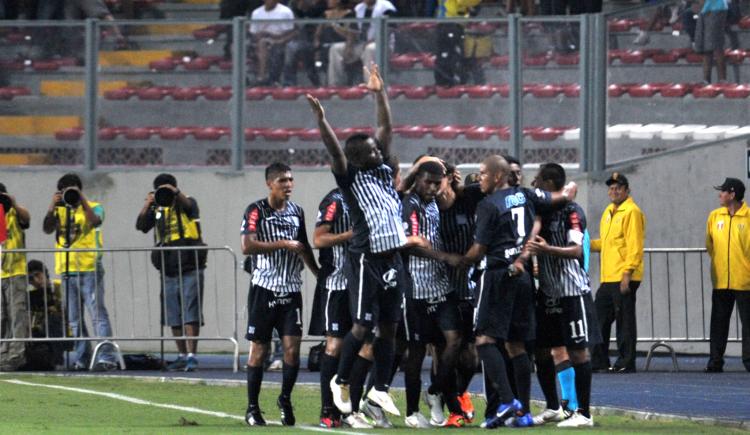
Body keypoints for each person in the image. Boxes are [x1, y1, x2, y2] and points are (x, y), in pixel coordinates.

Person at [305, 63, 417, 419]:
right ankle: (341, 380)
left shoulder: (383, 171)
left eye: (376, 149)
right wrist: (323, 122)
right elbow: (335, 152)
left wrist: (379, 93)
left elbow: (386, 127)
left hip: (392, 258)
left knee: (391, 328)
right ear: (358, 157)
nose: (377, 151)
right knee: (362, 326)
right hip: (367, 257)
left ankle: (380, 390)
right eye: (370, 150)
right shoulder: (350, 179)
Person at [458, 155, 577, 428]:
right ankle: (522, 412)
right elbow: (562, 196)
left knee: (485, 341)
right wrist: (570, 190)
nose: (480, 179)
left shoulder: (488, 205)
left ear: (498, 176)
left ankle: (509, 400)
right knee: (516, 345)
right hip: (521, 277)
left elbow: (478, 250)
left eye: (483, 174)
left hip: (497, 274)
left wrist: (453, 261)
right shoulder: (525, 195)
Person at [241, 162, 319, 426]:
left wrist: (317, 274)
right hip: (264, 289)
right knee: (259, 350)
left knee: (292, 351)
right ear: (270, 184)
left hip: (291, 290)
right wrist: (283, 243)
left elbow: (304, 245)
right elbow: (247, 245)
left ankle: (285, 399)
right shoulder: (256, 210)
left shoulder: (297, 211)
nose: (288, 185)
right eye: (283, 181)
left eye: (290, 180)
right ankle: (252, 408)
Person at [526, 163, 601, 428]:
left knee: (578, 352)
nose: (534, 183)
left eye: (538, 180)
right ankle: (553, 407)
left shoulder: (572, 212)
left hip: (572, 293)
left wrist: (547, 249)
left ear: (548, 183)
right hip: (547, 293)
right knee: (542, 352)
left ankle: (584, 413)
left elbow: (576, 250)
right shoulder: (540, 211)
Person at [400, 160, 466, 428]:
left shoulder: (435, 202)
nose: (432, 188)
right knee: (415, 352)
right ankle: (412, 411)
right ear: (418, 180)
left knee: (454, 340)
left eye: (436, 183)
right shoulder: (410, 205)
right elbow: (409, 244)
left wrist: (458, 186)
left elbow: (456, 199)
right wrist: (444, 256)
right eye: (427, 182)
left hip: (441, 286)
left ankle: (434, 391)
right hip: (416, 288)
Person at [42, 173, 118, 371]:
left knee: (98, 314)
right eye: (65, 191)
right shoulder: (59, 211)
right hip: (67, 270)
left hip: (89, 269)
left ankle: (106, 357)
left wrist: (80, 199)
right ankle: (82, 357)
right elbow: (47, 229)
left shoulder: (93, 206)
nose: (69, 194)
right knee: (74, 319)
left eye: (72, 190)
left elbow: (95, 221)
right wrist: (52, 205)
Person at [136, 173, 206, 372]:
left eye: (167, 188)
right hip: (168, 267)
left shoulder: (187, 203)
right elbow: (141, 226)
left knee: (190, 311)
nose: (164, 193)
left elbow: (190, 207)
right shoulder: (157, 208)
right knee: (173, 313)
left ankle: (192, 355)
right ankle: (182, 355)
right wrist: (148, 204)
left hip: (191, 264)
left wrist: (175, 193)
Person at [311, 187, 359, 428]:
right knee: (335, 345)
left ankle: (351, 408)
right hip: (337, 283)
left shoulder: (369, 194)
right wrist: (350, 235)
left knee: (362, 346)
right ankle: (327, 409)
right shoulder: (335, 200)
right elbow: (318, 239)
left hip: (361, 283)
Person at [590, 172, 646, 374]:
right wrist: (587, 244)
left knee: (625, 321)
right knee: (598, 317)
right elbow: (606, 243)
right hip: (608, 276)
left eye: (618, 188)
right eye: (611, 188)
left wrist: (627, 273)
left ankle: (626, 361)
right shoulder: (609, 212)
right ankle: (599, 360)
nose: (614, 191)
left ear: (626, 190)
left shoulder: (632, 212)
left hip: (623, 275)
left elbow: (634, 245)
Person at [705, 177, 750, 373]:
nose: (720, 195)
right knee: (718, 323)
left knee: (748, 325)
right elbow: (710, 244)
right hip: (721, 280)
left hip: (745, 280)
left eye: (723, 191)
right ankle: (715, 361)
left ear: (732, 194)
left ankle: (748, 361)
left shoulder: (748, 217)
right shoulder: (715, 216)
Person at [327, 0, 396, 86]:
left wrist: (371, 41)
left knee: (370, 48)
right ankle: (335, 87)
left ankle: (371, 87)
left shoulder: (386, 6)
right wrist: (349, 46)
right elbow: (354, 30)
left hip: (382, 45)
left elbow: (389, 30)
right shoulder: (358, 8)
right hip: (361, 44)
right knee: (336, 49)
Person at [0, 183, 30, 371]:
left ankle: (16, 355)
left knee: (16, 315)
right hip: (0, 273)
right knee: (2, 317)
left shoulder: (15, 213)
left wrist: (13, 202)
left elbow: (27, 219)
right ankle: (3, 353)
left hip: (16, 271)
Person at [22, 259, 66, 371]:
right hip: (37, 333)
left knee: (52, 321)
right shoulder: (29, 295)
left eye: (38, 275)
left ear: (44, 272)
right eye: (31, 278)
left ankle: (58, 361)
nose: (36, 280)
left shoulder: (58, 287)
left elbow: (64, 312)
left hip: (61, 329)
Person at [249, 0, 296, 86]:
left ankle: (262, 77)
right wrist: (261, 35)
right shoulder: (256, 13)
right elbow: (254, 32)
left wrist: (273, 36)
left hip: (281, 40)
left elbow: (291, 32)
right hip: (262, 40)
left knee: (265, 44)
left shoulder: (285, 11)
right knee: (261, 43)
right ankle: (261, 77)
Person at [283, 0, 327, 86]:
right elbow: (294, 29)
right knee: (291, 48)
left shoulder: (319, 9)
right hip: (298, 40)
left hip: (315, 40)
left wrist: (316, 38)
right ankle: (289, 83)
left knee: (306, 52)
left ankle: (316, 83)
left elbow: (320, 27)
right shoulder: (293, 9)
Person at [695, 0, 728, 83]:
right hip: (705, 9)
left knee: (716, 46)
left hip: (716, 9)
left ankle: (722, 80)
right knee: (707, 47)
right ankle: (706, 79)